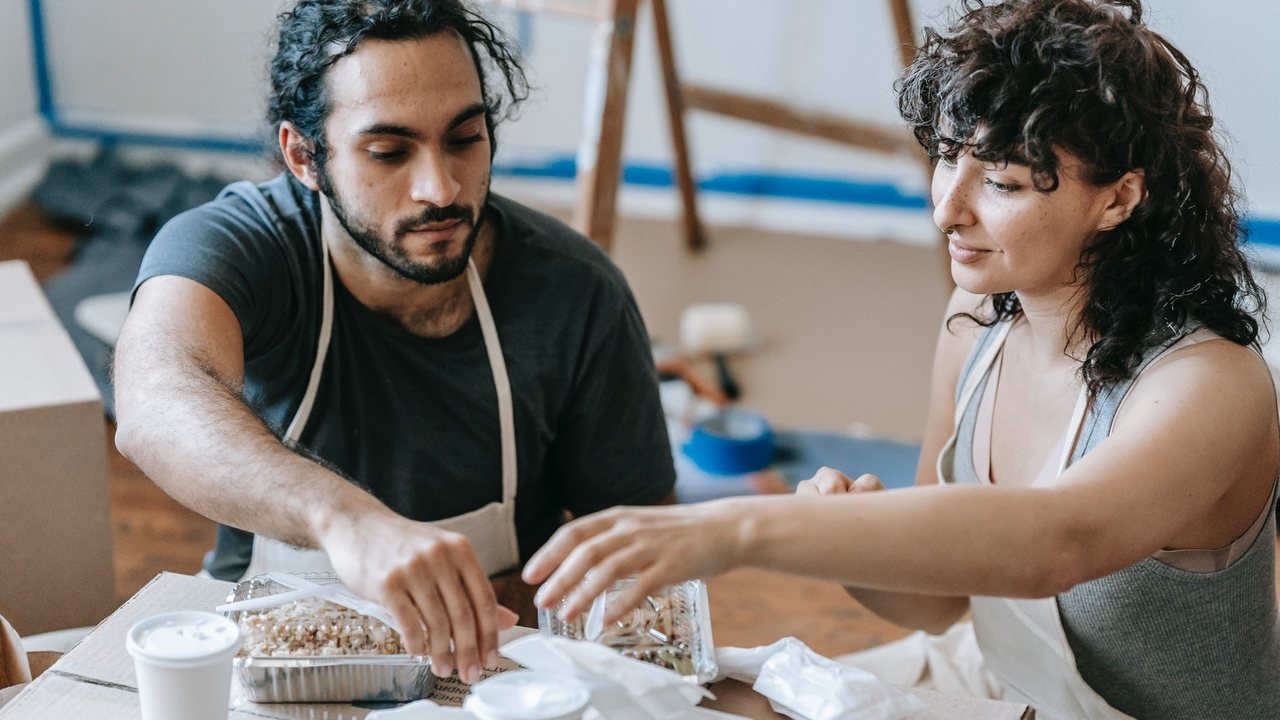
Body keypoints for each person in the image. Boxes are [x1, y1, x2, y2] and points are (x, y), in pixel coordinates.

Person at [523, 1, 1280, 717]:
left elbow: (1056, 540)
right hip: (993, 682)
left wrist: (736, 529)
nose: (948, 207)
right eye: (948, 157)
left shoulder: (1209, 385)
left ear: (1118, 199)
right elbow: (937, 603)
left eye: (1003, 181)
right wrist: (843, 535)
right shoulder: (976, 323)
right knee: (693, 700)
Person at [112, 0, 676, 684]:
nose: (441, 188)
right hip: (270, 661)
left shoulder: (577, 293)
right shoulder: (236, 246)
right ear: (304, 156)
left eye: (465, 139)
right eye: (389, 151)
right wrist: (347, 520)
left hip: (497, 665)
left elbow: (646, 562)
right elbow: (154, 397)